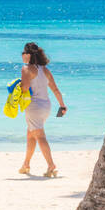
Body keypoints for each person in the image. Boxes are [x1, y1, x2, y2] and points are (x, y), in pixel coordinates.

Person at [18, 42, 66, 177]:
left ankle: (51, 165)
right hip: (46, 107)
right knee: (31, 134)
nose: (22, 56)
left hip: (33, 107)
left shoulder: (26, 69)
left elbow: (25, 88)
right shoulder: (45, 70)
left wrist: (17, 87)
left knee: (39, 136)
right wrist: (62, 106)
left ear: (27, 55)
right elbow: (55, 89)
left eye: (23, 53)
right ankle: (26, 164)